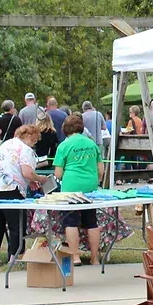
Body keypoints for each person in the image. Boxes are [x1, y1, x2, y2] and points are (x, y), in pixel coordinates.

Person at [0, 124, 41, 264]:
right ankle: (14, 257)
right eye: (35, 140)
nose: (34, 144)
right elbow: (27, 172)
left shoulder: (6, 144)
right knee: (16, 224)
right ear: (30, 136)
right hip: (9, 187)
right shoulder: (25, 149)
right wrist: (39, 179)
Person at [54, 114, 106, 265]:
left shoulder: (64, 146)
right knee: (91, 222)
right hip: (90, 185)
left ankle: (75, 256)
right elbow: (101, 168)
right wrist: (96, 179)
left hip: (71, 186)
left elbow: (58, 173)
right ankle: (95, 258)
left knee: (71, 222)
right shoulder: (91, 143)